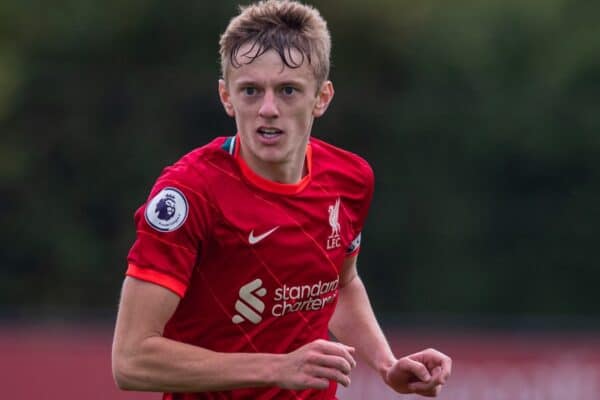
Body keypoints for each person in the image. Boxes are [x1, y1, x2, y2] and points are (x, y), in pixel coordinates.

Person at [111, 1, 452, 399]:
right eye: (251, 91)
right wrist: (278, 366)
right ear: (226, 97)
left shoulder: (350, 179)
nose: (268, 109)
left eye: (288, 90)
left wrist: (387, 364)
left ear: (321, 98)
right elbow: (131, 360)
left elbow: (340, 284)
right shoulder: (189, 194)